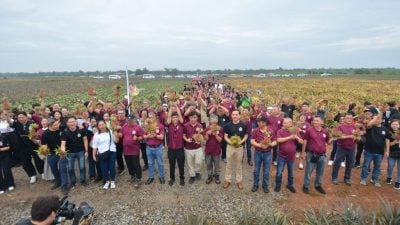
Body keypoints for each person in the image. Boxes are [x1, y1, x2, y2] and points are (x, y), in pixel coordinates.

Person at [360, 113, 391, 187]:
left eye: (379, 119)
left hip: (379, 152)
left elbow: (387, 140)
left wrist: (387, 150)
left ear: (382, 120)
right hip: (368, 151)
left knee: (377, 166)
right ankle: (363, 179)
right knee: (366, 165)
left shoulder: (385, 129)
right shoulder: (370, 127)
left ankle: (375, 179)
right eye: (375, 119)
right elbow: (368, 125)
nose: (377, 120)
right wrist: (375, 118)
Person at [12, 111, 44, 184]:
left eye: (22, 117)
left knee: (38, 159)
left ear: (26, 116)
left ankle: (42, 172)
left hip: (33, 145)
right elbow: (10, 122)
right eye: (19, 117)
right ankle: (32, 175)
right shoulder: (17, 124)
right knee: (25, 161)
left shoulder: (32, 124)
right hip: (22, 146)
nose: (20, 119)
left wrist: (34, 138)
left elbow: (37, 134)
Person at [302, 116, 330, 195]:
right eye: (314, 120)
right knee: (308, 171)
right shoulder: (309, 130)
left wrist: (335, 137)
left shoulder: (325, 131)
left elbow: (328, 142)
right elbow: (305, 141)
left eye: (317, 121)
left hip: (322, 156)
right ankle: (306, 185)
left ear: (322, 122)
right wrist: (303, 152)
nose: (315, 122)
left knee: (320, 172)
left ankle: (318, 185)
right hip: (311, 154)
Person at [250, 115, 276, 193]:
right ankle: (255, 185)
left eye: (262, 122)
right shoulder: (255, 131)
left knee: (266, 171)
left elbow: (275, 141)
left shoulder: (271, 131)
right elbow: (252, 141)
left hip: (267, 153)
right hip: (258, 152)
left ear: (265, 123)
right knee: (256, 170)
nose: (260, 123)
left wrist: (270, 144)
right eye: (259, 122)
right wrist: (260, 145)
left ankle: (265, 186)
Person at [41, 119, 68, 192]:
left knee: (62, 168)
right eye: (55, 125)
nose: (58, 126)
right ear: (50, 126)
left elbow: (63, 143)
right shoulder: (45, 134)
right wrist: (44, 151)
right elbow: (44, 145)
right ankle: (58, 181)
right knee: (53, 168)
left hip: (61, 151)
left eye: (58, 124)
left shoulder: (61, 128)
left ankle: (64, 185)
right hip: (51, 153)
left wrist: (62, 152)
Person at [223, 110, 248, 190]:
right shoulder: (228, 125)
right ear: (231, 116)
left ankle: (239, 181)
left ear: (239, 116)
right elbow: (225, 136)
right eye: (233, 114)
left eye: (236, 114)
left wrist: (241, 141)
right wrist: (230, 142)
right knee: (229, 164)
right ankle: (227, 180)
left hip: (239, 148)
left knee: (239, 165)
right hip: (230, 147)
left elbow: (246, 135)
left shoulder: (243, 125)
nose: (235, 116)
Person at [276, 118, 302, 193]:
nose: (285, 124)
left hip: (291, 156)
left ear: (291, 124)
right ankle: (278, 185)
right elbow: (278, 140)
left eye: (287, 123)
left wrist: (296, 137)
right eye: (284, 123)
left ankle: (290, 185)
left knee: (291, 172)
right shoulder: (280, 131)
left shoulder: (295, 131)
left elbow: (301, 142)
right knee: (279, 172)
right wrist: (289, 137)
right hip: (281, 155)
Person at [60, 116, 88, 187]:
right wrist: (62, 150)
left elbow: (85, 140)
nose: (72, 123)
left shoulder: (81, 130)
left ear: (76, 122)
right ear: (67, 123)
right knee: (70, 168)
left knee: (82, 167)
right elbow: (63, 143)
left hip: (80, 151)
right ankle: (73, 181)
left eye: (73, 121)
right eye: (70, 122)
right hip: (70, 153)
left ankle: (83, 180)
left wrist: (86, 151)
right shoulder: (65, 132)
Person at [117, 115, 144, 187]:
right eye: (128, 120)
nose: (129, 122)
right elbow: (120, 134)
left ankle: (138, 178)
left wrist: (138, 138)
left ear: (134, 120)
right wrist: (118, 133)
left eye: (130, 120)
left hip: (135, 149)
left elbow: (143, 137)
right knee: (129, 164)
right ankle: (132, 176)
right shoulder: (124, 126)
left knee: (136, 164)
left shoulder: (138, 127)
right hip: (126, 150)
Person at [331, 113, 357, 186]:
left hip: (351, 148)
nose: (349, 119)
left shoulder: (354, 126)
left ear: (352, 119)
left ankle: (347, 178)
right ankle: (334, 177)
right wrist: (350, 136)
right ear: (344, 119)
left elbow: (357, 136)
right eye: (347, 118)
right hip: (341, 147)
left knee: (349, 163)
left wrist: (356, 137)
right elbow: (338, 137)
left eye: (350, 118)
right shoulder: (340, 127)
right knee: (337, 162)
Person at [92, 120, 118, 189]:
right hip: (102, 153)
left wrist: (115, 134)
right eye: (100, 125)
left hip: (111, 151)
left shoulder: (110, 132)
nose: (101, 126)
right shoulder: (96, 135)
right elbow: (94, 146)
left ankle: (112, 181)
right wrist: (93, 155)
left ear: (105, 124)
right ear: (98, 127)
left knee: (112, 167)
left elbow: (116, 141)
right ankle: (106, 181)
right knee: (104, 168)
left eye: (103, 124)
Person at [144, 112, 165, 185]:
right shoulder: (147, 127)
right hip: (149, 147)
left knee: (160, 163)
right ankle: (151, 177)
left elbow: (162, 137)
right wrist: (148, 136)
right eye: (149, 117)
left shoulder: (160, 126)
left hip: (158, 147)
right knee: (150, 163)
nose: (151, 119)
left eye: (152, 117)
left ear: (155, 118)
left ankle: (161, 176)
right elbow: (144, 137)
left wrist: (155, 135)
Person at [166, 106, 185, 186]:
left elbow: (180, 116)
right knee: (172, 165)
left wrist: (176, 106)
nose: (175, 119)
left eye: (176, 117)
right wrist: (171, 106)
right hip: (171, 149)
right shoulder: (169, 125)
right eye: (173, 118)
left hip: (180, 148)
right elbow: (169, 117)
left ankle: (181, 178)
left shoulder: (181, 125)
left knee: (181, 165)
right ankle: (172, 178)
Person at [183, 111, 204, 184]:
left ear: (197, 118)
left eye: (195, 117)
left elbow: (202, 136)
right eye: (191, 117)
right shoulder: (185, 125)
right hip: (189, 148)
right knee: (190, 163)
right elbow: (184, 135)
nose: (193, 119)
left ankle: (197, 171)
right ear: (189, 118)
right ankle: (192, 175)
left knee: (199, 162)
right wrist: (186, 140)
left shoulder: (200, 126)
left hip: (198, 147)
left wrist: (200, 139)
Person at [204, 114, 223, 184]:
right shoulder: (207, 128)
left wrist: (215, 134)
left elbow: (220, 140)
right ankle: (210, 175)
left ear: (217, 121)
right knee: (208, 163)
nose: (213, 122)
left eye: (215, 120)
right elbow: (205, 139)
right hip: (208, 150)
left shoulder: (220, 128)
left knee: (217, 164)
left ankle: (217, 175)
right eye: (212, 120)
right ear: (209, 121)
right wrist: (207, 134)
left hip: (216, 150)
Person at [386, 119, 400, 189]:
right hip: (392, 153)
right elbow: (388, 144)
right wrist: (395, 142)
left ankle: (398, 182)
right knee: (390, 167)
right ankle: (389, 176)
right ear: (391, 125)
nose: (395, 126)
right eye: (393, 124)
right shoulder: (389, 133)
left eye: (396, 124)